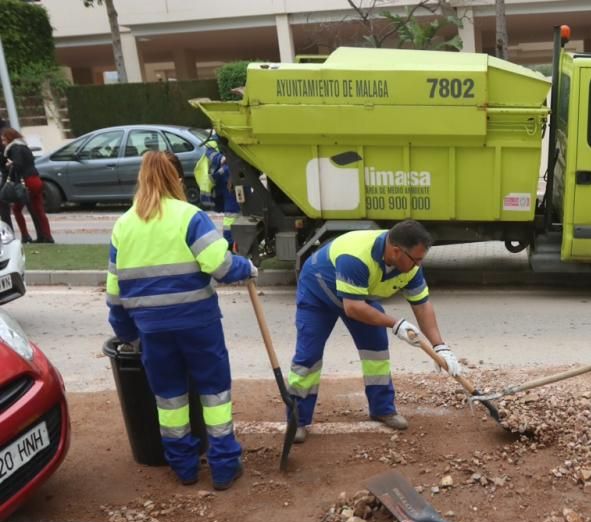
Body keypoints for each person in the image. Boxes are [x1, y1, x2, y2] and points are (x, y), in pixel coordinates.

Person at [106, 151, 256, 490]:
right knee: (214, 393)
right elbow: (220, 266)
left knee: (169, 399)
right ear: (176, 178)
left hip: (152, 330)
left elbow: (114, 294)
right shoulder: (191, 217)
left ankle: (184, 467)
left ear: (140, 178)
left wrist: (129, 334)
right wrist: (248, 267)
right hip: (197, 324)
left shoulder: (124, 225)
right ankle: (223, 466)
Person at [288, 220, 462, 442]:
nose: (419, 265)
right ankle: (297, 420)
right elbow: (353, 308)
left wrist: (441, 346)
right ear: (396, 251)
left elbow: (422, 305)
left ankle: (382, 408)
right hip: (319, 290)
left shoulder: (409, 265)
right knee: (308, 357)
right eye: (416, 260)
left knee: (376, 347)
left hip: (357, 294)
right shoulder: (356, 257)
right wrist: (395, 323)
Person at [1, 128, 54, 243]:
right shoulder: (24, 146)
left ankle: (25, 235)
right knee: (38, 209)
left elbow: (18, 165)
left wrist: (10, 164)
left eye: (4, 140)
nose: (3, 143)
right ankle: (46, 236)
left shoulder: (14, 148)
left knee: (16, 209)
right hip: (36, 178)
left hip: (27, 181)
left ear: (10, 138)